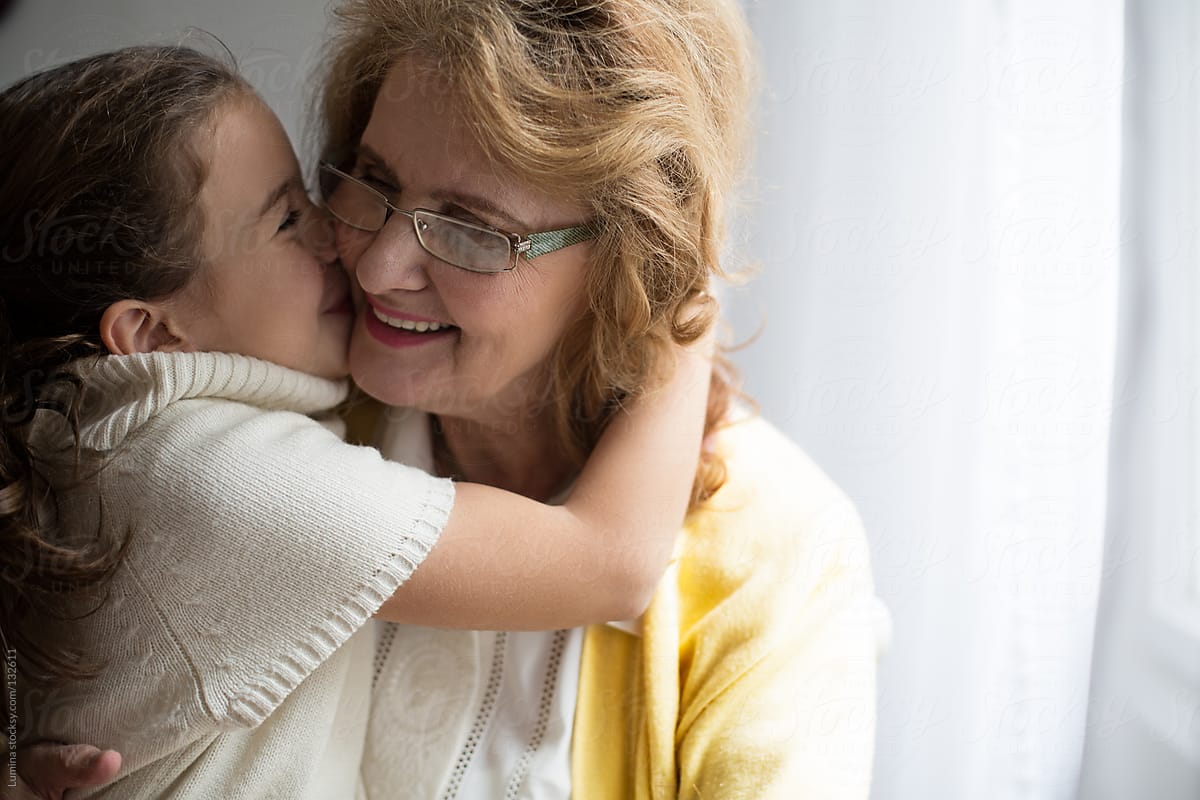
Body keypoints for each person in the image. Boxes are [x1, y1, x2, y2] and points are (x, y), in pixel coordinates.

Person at [19, 0, 881, 796]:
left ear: (630, 262)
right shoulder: (275, 431)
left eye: (473, 228)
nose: (373, 265)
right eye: (372, 181)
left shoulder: (778, 552)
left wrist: (678, 301)